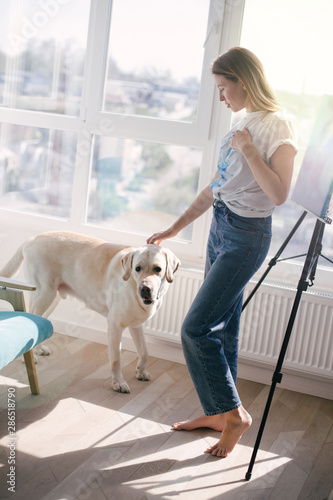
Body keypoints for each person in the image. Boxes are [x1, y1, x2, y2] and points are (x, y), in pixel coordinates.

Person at [147, 47, 297, 458]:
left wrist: (249, 149)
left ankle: (233, 416)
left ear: (243, 81)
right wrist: (174, 228)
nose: (220, 98)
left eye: (222, 88)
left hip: (247, 236)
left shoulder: (278, 125)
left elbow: (280, 194)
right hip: (221, 225)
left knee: (194, 329)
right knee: (224, 326)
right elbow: (217, 186)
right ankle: (219, 413)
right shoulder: (242, 121)